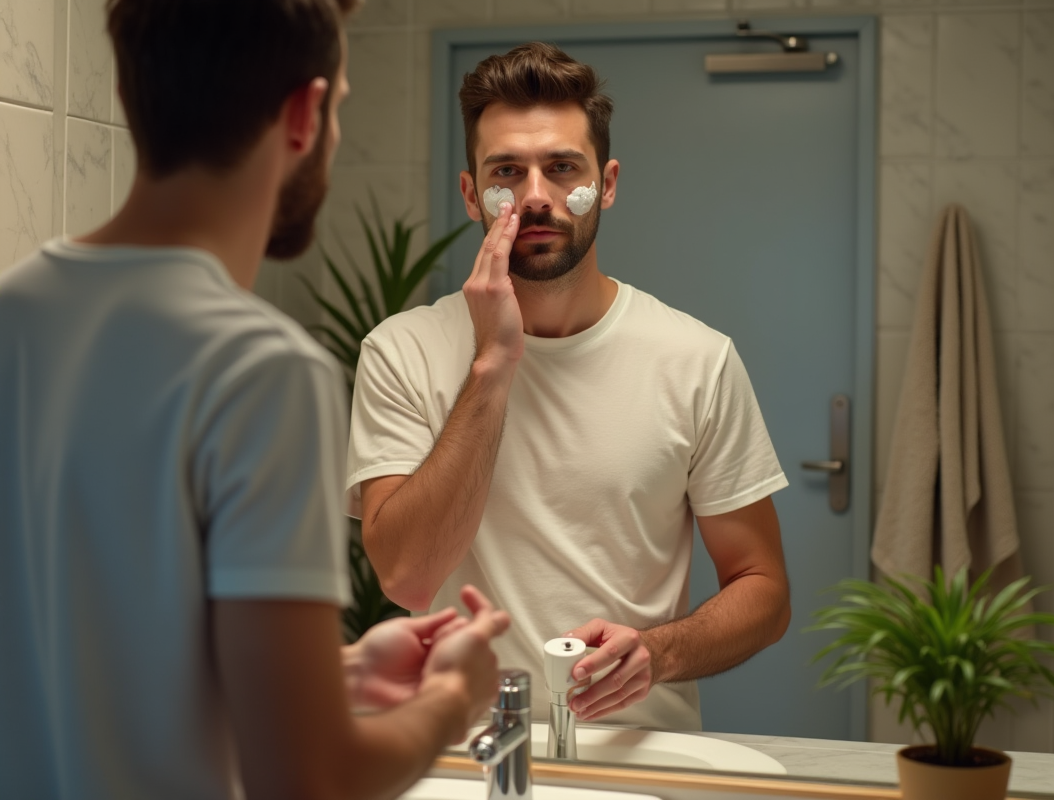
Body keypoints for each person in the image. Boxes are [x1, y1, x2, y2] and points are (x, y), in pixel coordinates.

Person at [0, 2, 509, 798]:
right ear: (304, 115)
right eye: (339, 106)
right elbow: (311, 779)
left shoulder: (16, 313)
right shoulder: (259, 369)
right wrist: (453, 700)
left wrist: (332, 672)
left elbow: (87, 644)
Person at [345, 42, 791, 731]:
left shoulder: (697, 360)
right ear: (471, 195)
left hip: (641, 757)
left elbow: (764, 591)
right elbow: (407, 575)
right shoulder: (401, 352)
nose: (534, 197)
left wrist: (658, 652)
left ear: (606, 184)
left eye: (561, 169)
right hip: (458, 753)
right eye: (506, 172)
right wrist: (493, 362)